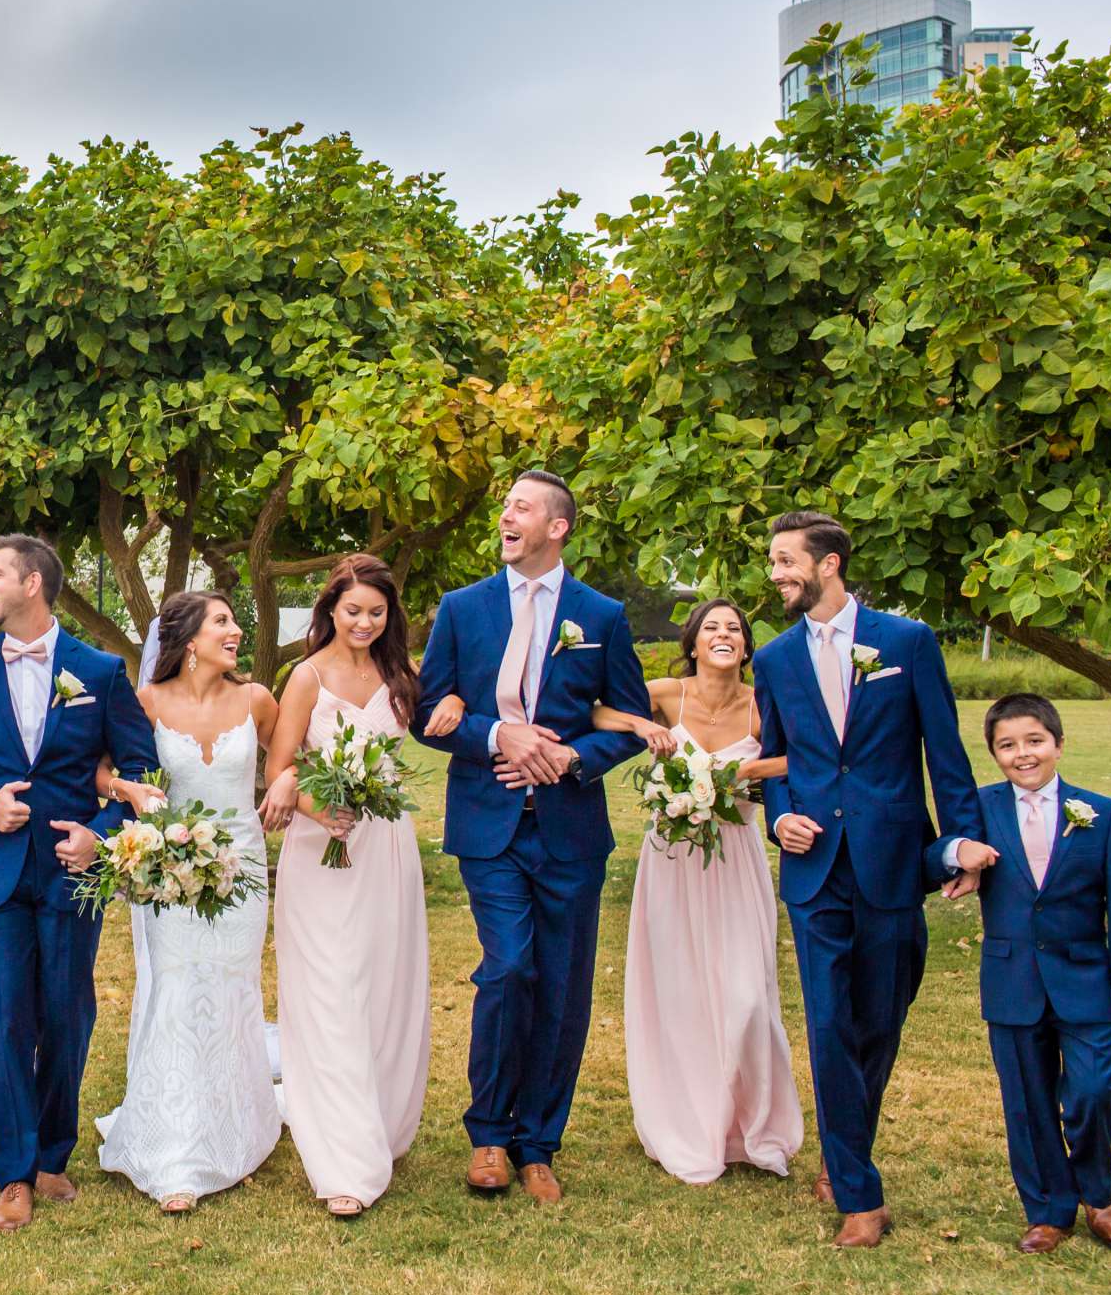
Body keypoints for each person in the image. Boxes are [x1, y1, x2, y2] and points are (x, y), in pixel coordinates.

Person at [753, 509, 995, 1247]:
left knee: (877, 1022)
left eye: (787, 560)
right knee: (829, 1023)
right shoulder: (774, 659)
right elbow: (777, 758)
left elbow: (946, 755)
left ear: (828, 564)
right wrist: (779, 817)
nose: (777, 574)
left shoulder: (906, 642)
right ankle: (859, 1192)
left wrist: (961, 845)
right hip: (815, 868)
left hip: (893, 859)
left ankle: (844, 1141)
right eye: (772, 562)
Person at [412, 471, 650, 1204]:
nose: (505, 514)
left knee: (564, 988)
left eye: (520, 506)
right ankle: (488, 1133)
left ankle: (538, 1143)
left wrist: (574, 757)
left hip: (571, 831)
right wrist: (498, 736)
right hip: (490, 828)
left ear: (558, 527)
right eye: (505, 504)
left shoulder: (600, 616)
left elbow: (630, 719)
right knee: (509, 967)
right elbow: (429, 711)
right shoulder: (463, 608)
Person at [0, 533, 158, 1232]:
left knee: (65, 1015)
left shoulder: (101, 670)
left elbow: (141, 773)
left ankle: (53, 1155)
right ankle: (15, 1173)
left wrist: (103, 834)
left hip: (71, 875)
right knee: (3, 1024)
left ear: (33, 583)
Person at [591, 599, 804, 1186]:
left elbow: (801, 757)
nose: (723, 634)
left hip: (735, 864)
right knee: (681, 994)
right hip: (671, 866)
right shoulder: (665, 692)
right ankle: (690, 1121)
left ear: (746, 645)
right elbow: (596, 710)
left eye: (733, 628)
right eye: (712, 626)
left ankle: (750, 1125)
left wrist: (743, 774)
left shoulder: (762, 704)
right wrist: (642, 724)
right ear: (692, 641)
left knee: (747, 998)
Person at [93, 591, 282, 1213]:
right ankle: (175, 1148)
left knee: (231, 987)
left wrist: (288, 788)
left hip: (243, 871)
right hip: (170, 869)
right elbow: (103, 772)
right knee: (175, 989)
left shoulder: (256, 699)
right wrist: (132, 792)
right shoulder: (146, 701)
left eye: (233, 621)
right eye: (221, 622)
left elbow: (290, 763)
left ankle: (237, 1125)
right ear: (189, 640)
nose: (234, 631)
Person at [261, 554, 431, 1217]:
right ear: (331, 608)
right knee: (329, 990)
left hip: (385, 845)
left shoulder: (399, 675)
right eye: (352, 609)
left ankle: (379, 1122)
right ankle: (341, 1161)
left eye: (375, 612)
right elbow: (280, 766)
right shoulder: (305, 676)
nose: (363, 621)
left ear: (390, 618)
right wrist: (314, 805)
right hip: (320, 848)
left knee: (382, 987)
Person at [966, 693, 1111, 1254]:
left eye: (1033, 741)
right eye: (1007, 746)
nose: (1022, 754)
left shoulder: (1100, 811)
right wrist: (957, 852)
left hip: (1085, 976)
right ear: (995, 755)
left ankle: (1099, 1196)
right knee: (1026, 1097)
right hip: (1012, 978)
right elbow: (933, 856)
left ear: (1057, 744)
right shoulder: (979, 808)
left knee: (1095, 1087)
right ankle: (1048, 1209)